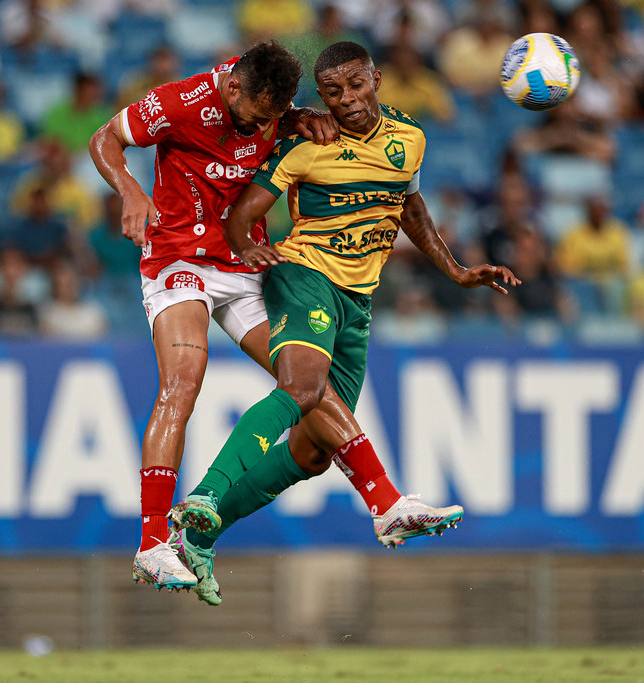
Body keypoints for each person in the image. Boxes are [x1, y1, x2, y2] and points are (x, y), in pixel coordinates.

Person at [88, 41, 463, 596]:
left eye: (273, 117)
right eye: (256, 116)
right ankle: (151, 545)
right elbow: (106, 140)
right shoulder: (181, 101)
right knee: (183, 384)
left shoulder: (276, 111)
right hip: (179, 258)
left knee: (307, 386)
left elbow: (282, 127)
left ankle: (386, 504)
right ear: (234, 87)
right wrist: (129, 190)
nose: (259, 127)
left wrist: (296, 118)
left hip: (245, 267)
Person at [169, 41, 518, 603]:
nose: (347, 99)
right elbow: (243, 215)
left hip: (358, 300)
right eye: (332, 91)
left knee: (312, 452)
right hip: (303, 276)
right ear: (321, 97)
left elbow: (409, 206)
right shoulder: (305, 143)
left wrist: (455, 271)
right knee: (302, 387)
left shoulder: (410, 140)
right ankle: (211, 493)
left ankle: (199, 541)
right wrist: (247, 248)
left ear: (376, 79)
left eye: (356, 85)